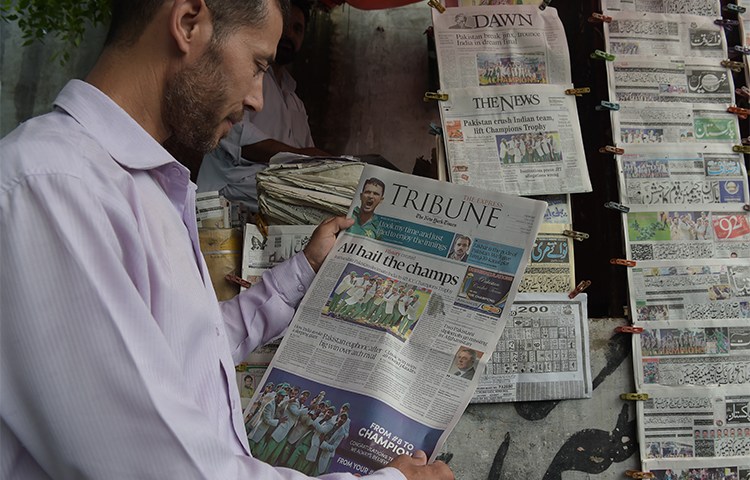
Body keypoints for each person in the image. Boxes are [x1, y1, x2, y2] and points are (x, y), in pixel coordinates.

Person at [0, 1, 453, 479]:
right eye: (258, 64)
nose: (258, 97)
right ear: (188, 23)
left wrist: (302, 273)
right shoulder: (51, 186)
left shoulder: (143, 185)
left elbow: (191, 351)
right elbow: (157, 467)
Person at [196, 0, 329, 211]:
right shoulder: (241, 76)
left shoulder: (295, 102)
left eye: (298, 29)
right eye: (285, 25)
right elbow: (241, 140)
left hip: (275, 198)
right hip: (227, 196)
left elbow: (309, 159)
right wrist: (302, 156)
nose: (290, 35)